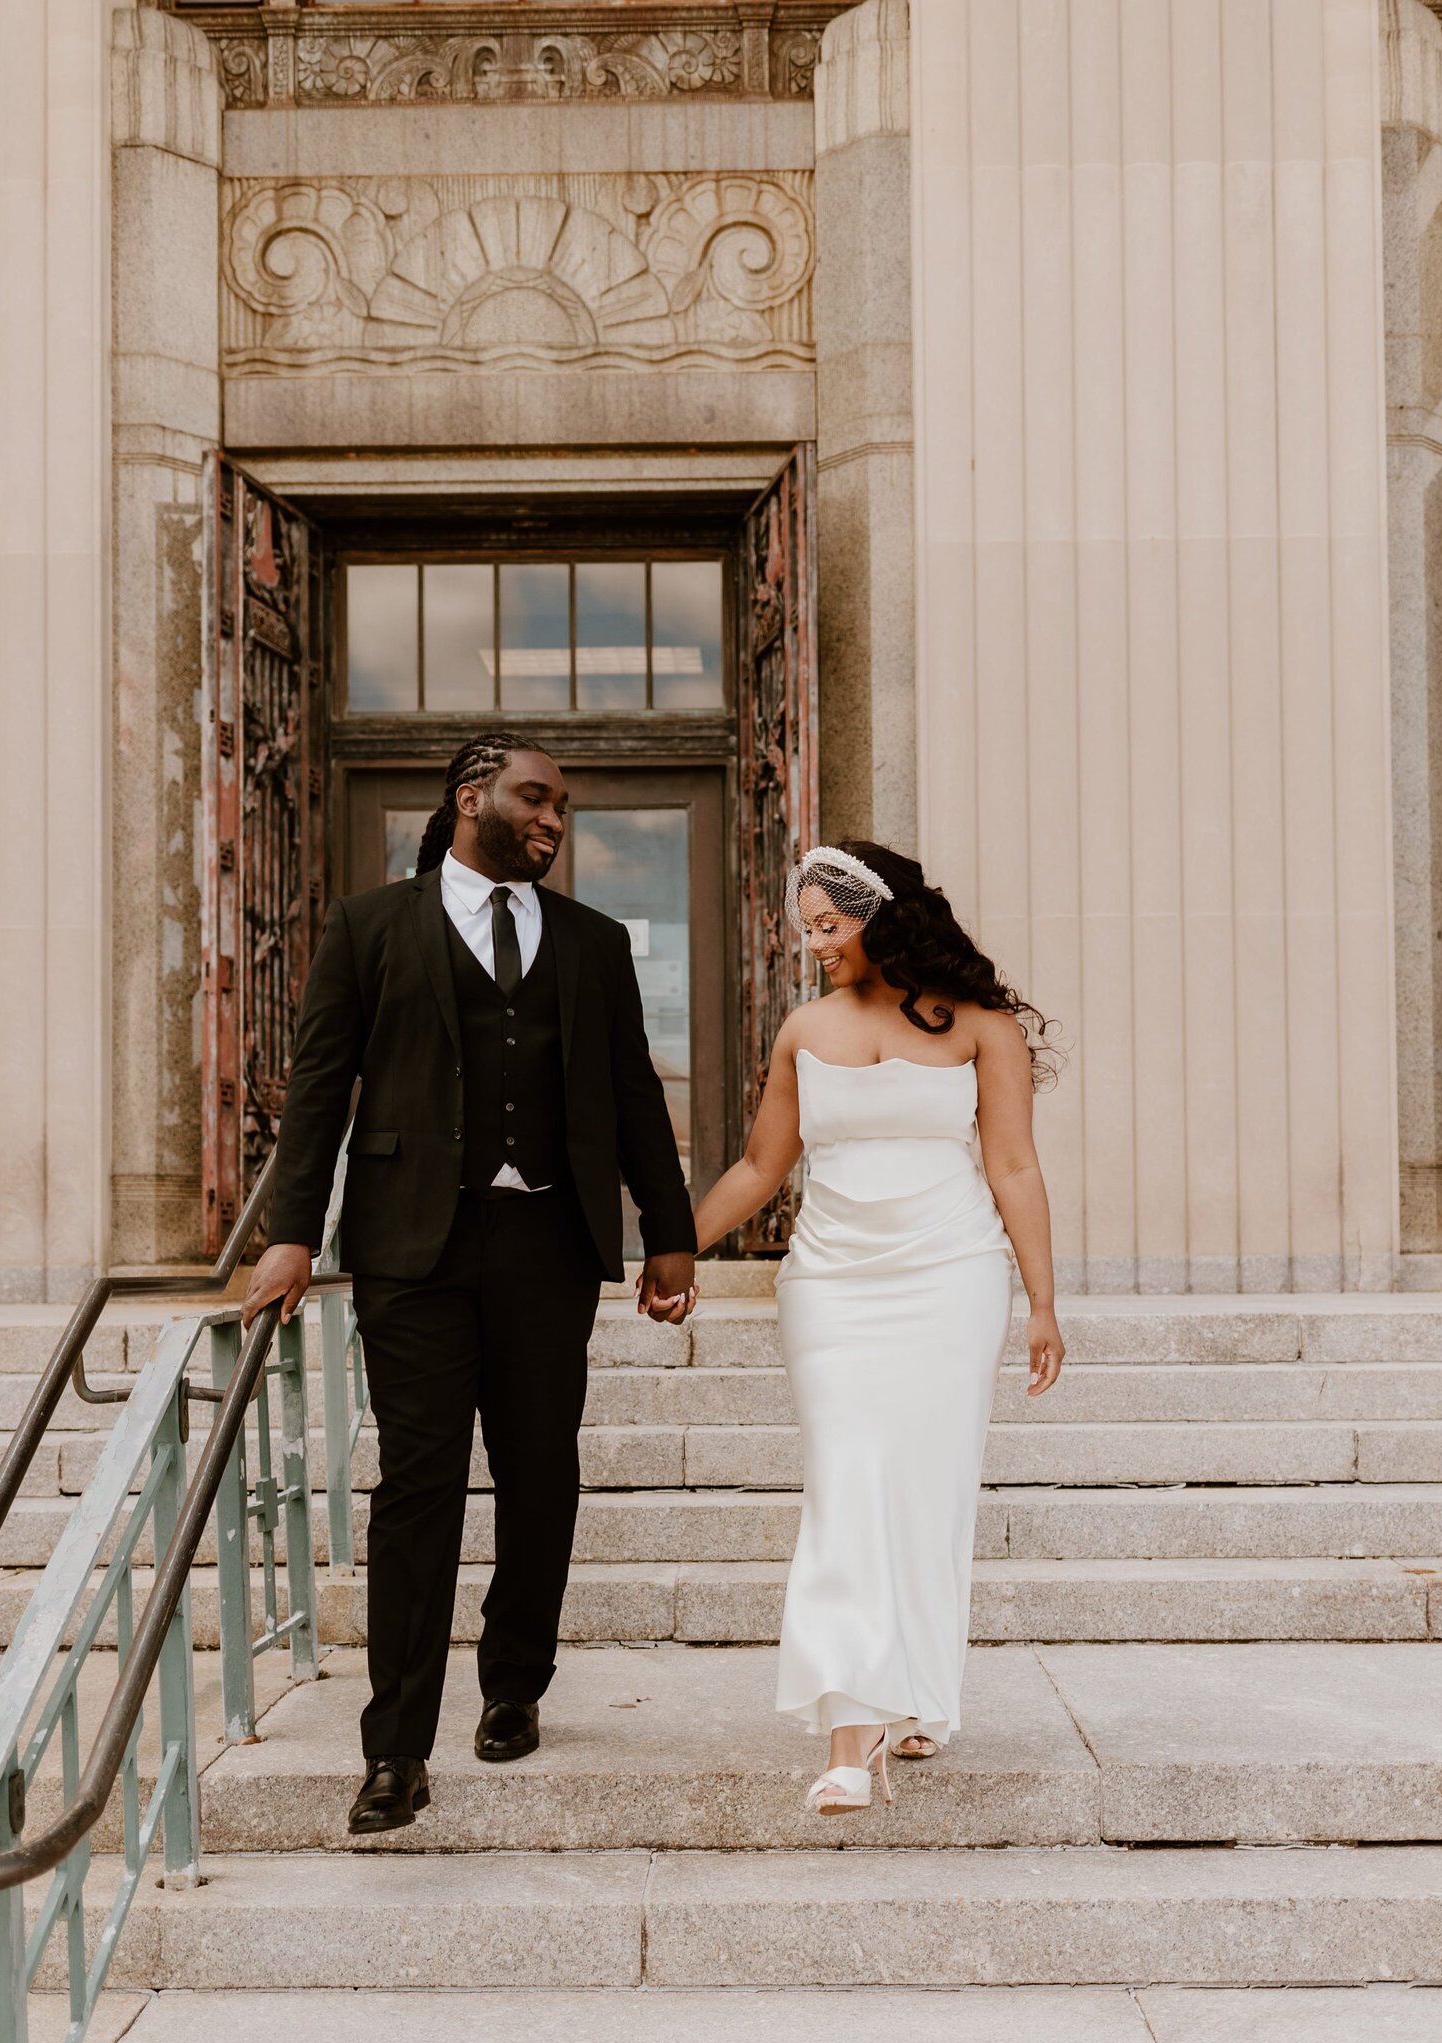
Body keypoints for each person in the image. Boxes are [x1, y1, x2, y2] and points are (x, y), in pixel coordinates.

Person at [242, 735, 697, 1836]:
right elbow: (318, 1089)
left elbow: (631, 1088)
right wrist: (290, 1233)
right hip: (413, 1250)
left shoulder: (592, 941)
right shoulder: (368, 927)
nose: (554, 820)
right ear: (469, 800)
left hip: (549, 1244)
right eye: (535, 799)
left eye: (563, 807)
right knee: (417, 1490)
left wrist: (669, 1233)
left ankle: (514, 1683)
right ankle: (396, 1747)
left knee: (541, 1475)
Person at [693, 842, 1063, 1814]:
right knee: (846, 1487)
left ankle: (916, 1699)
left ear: (883, 917)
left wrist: (1043, 1303)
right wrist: (669, 1247)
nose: (813, 943)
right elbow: (756, 1170)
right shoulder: (801, 1031)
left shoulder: (982, 1030)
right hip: (831, 1286)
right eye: (805, 925)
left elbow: (1014, 1168)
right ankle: (851, 1740)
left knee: (926, 1494)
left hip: (952, 1278)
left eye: (829, 924)